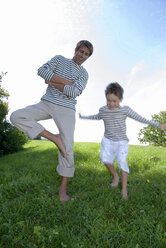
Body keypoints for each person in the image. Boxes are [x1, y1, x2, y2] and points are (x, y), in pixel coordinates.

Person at [10, 40, 94, 202]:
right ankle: (54, 138)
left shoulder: (84, 74)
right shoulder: (59, 59)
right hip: (46, 102)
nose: (83, 56)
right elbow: (41, 71)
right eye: (81, 51)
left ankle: (63, 192)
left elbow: (74, 92)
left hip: (67, 109)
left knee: (68, 148)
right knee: (16, 116)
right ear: (76, 50)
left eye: (86, 54)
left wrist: (52, 80)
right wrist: (65, 81)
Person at [79, 82, 166, 199]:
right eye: (108, 100)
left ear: (120, 99)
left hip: (121, 142)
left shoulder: (125, 110)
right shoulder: (103, 110)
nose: (111, 104)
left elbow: (140, 118)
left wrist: (157, 125)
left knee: (122, 162)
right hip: (108, 140)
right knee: (104, 158)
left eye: (114, 101)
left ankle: (124, 189)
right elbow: (96, 116)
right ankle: (115, 176)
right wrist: (83, 117)